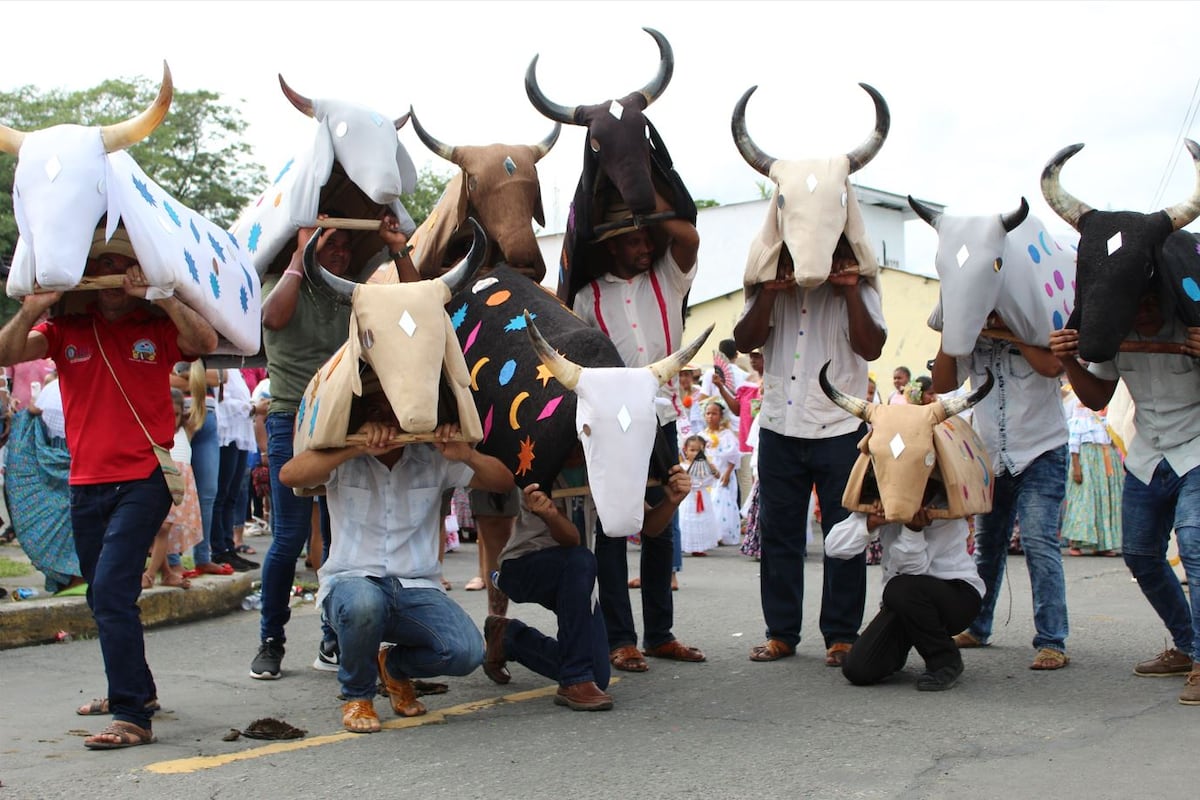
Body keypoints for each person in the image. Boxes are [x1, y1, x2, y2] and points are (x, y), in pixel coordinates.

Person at [0, 226, 218, 749]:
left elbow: (203, 344)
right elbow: (6, 353)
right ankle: (136, 692)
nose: (115, 276)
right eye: (105, 266)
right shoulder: (65, 330)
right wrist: (33, 307)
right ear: (89, 279)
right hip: (85, 483)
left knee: (111, 592)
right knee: (106, 599)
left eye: (124, 264)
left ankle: (130, 717)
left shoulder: (154, 323)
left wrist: (160, 296)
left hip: (144, 479)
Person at [278, 391, 514, 733]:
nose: (386, 421)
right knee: (363, 603)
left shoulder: (434, 457)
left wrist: (466, 454)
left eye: (395, 412)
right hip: (352, 584)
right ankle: (357, 695)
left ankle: (394, 666)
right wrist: (355, 446)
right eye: (376, 410)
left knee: (466, 652)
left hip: (416, 587)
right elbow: (289, 475)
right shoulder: (345, 458)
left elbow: (503, 482)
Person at [252, 211, 413, 680]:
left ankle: (333, 635)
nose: (340, 251)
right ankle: (271, 640)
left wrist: (396, 247)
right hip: (290, 418)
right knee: (289, 537)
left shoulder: (356, 293)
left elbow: (413, 302)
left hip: (345, 416)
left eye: (346, 244)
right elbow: (271, 318)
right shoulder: (284, 284)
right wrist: (304, 253)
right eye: (329, 243)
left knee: (343, 537)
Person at [734, 234, 887, 666]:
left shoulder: (860, 286)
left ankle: (841, 635)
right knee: (779, 533)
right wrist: (768, 291)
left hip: (841, 427)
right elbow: (746, 340)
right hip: (780, 425)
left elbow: (871, 347)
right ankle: (781, 633)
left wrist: (851, 290)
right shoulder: (770, 283)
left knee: (844, 533)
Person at [571, 194, 705, 672]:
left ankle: (660, 635)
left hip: (660, 414)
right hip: (611, 425)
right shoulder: (587, 297)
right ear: (611, 248)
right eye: (633, 240)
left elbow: (688, 236)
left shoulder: (668, 278)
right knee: (612, 527)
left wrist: (648, 194)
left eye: (647, 237)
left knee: (662, 522)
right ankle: (620, 640)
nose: (645, 245)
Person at [1050, 292, 1200, 704]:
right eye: (1138, 300)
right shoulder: (1117, 335)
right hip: (1149, 454)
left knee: (1193, 544)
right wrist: (1066, 360)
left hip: (1197, 451)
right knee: (1139, 554)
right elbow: (1097, 398)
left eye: (1154, 300)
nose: (1147, 307)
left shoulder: (1192, 326)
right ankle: (1188, 646)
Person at [932, 312, 1071, 670]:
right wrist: (954, 329)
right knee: (987, 547)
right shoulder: (971, 335)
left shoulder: (1039, 327)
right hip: (990, 456)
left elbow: (1053, 367)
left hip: (1041, 452)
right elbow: (943, 381)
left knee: (1040, 545)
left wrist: (1014, 329)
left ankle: (1052, 640)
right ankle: (977, 627)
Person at [826, 508, 984, 691]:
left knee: (898, 588)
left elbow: (912, 571)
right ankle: (898, 650)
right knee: (858, 670)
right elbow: (834, 547)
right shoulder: (884, 498)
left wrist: (913, 530)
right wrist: (870, 522)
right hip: (905, 602)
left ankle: (945, 659)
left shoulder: (941, 505)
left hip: (957, 596)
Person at [1061, 387, 1122, 557]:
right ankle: (1076, 541)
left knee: (1104, 501)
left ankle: (1103, 543)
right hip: (1087, 458)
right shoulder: (1081, 412)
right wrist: (1077, 466)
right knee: (1084, 500)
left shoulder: (1108, 414)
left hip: (1105, 459)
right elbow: (1074, 441)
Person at [699, 400, 741, 547]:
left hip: (723, 472)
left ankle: (723, 533)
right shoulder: (701, 435)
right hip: (707, 474)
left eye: (714, 413)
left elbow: (734, 456)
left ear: (721, 416)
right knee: (708, 502)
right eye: (708, 413)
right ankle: (710, 534)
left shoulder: (727, 434)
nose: (711, 417)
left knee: (723, 503)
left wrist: (728, 473)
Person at [678, 434, 720, 555]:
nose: (695, 453)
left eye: (698, 450)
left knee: (702, 520)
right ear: (685, 450)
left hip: (702, 495)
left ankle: (699, 547)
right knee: (686, 520)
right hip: (687, 497)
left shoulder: (706, 465)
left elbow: (716, 476)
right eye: (692, 450)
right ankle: (684, 545)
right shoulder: (682, 466)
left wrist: (714, 470)